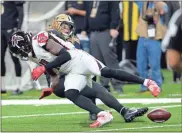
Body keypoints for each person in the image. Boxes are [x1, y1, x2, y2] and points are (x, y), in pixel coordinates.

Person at [8, 29, 160, 128]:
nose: (21, 53)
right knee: (71, 93)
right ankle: (103, 114)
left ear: (23, 44)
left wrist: (43, 68)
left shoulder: (40, 39)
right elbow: (54, 73)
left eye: (19, 49)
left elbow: (65, 55)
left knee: (107, 72)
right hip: (71, 71)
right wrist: (51, 88)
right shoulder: (33, 57)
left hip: (78, 60)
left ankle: (147, 82)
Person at [82, 1, 123, 93]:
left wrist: (113, 27)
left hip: (105, 31)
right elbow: (88, 13)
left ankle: (117, 85)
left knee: (110, 59)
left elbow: (115, 13)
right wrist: (85, 28)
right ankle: (104, 85)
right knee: (98, 61)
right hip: (93, 32)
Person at [135, 1, 168, 92]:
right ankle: (144, 86)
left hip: (155, 38)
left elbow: (163, 11)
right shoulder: (142, 3)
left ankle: (157, 85)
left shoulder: (162, 4)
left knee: (155, 64)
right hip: (142, 37)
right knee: (141, 63)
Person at [1, 1, 25, 94]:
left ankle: (18, 86)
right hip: (1, 29)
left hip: (11, 29)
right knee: (0, 58)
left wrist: (18, 29)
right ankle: (2, 87)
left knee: (14, 57)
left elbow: (21, 12)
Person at [162, 8, 182, 72]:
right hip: (177, 38)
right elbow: (172, 29)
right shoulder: (179, 14)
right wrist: (166, 43)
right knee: (173, 64)